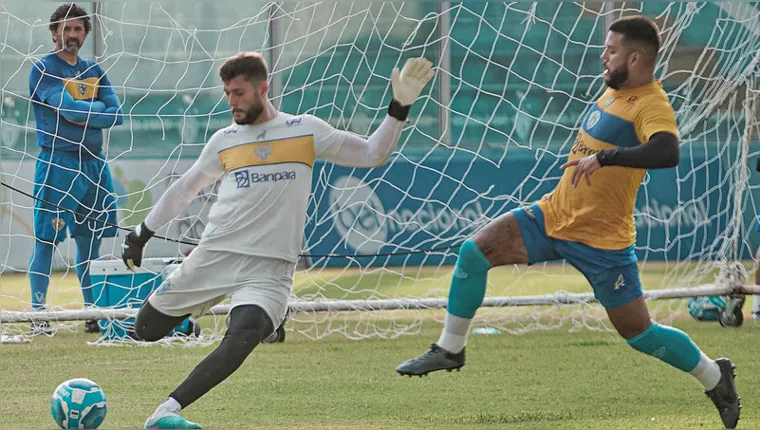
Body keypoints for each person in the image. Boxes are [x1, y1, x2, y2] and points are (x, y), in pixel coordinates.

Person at [396, 16, 741, 429]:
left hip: (602, 242)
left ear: (634, 58)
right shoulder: (613, 92)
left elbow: (667, 152)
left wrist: (607, 157)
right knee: (475, 251)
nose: (602, 56)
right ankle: (451, 348)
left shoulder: (652, 103)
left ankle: (714, 376)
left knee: (640, 334)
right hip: (554, 215)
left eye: (611, 51)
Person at [121, 51, 433, 429]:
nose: (232, 102)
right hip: (216, 255)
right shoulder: (225, 140)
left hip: (271, 268)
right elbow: (185, 190)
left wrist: (399, 107)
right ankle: (188, 316)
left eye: (238, 93)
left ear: (262, 88)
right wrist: (142, 233)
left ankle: (166, 412)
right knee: (146, 330)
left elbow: (372, 153)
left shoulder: (305, 130)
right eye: (227, 94)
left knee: (245, 332)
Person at [28, 3, 124, 335]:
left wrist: (84, 110)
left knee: (90, 242)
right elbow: (67, 110)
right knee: (46, 241)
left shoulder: (93, 69)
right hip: (58, 163)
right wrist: (94, 108)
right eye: (66, 29)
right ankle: (38, 315)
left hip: (94, 165)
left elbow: (117, 114)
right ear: (54, 32)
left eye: (78, 29)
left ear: (86, 33)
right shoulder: (43, 69)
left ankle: (92, 313)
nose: (72, 35)